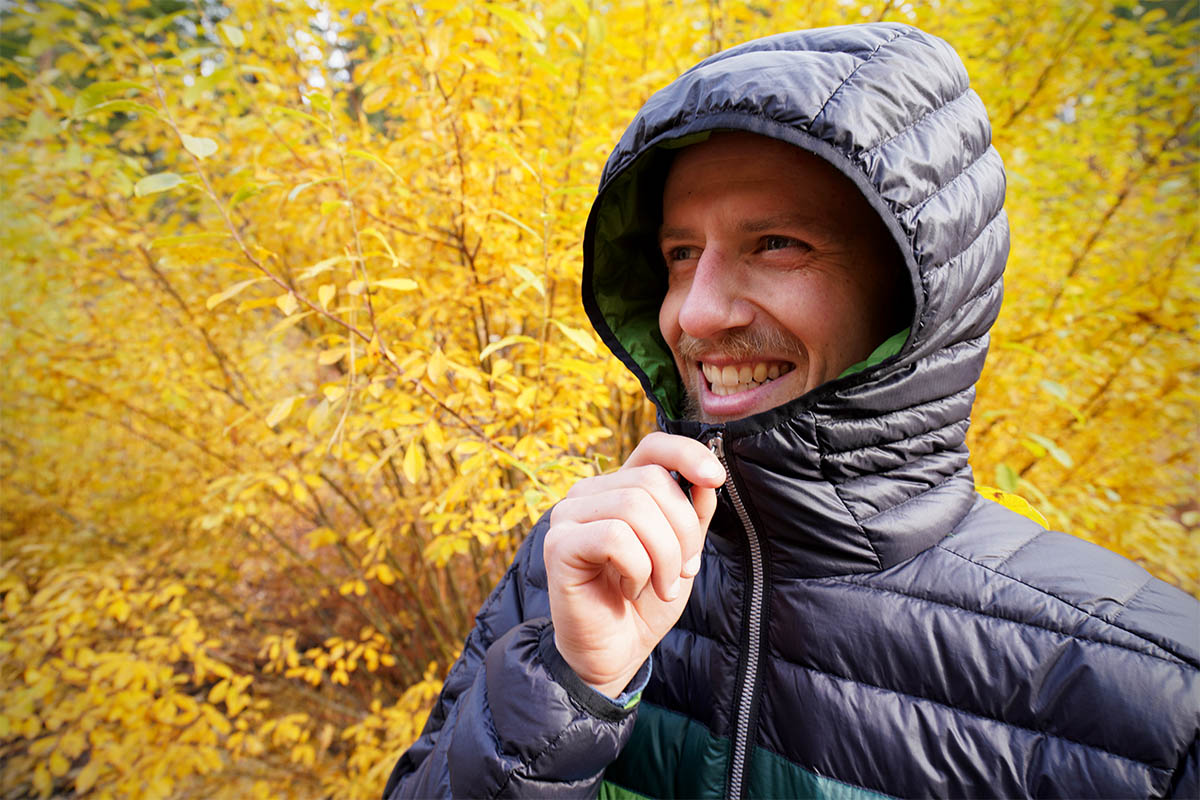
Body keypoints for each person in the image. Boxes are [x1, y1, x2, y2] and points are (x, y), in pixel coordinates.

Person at [384, 23, 1200, 799]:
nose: (695, 315)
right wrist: (570, 693)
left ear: (916, 293)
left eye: (776, 244)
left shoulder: (1151, 698)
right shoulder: (574, 569)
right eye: (679, 255)